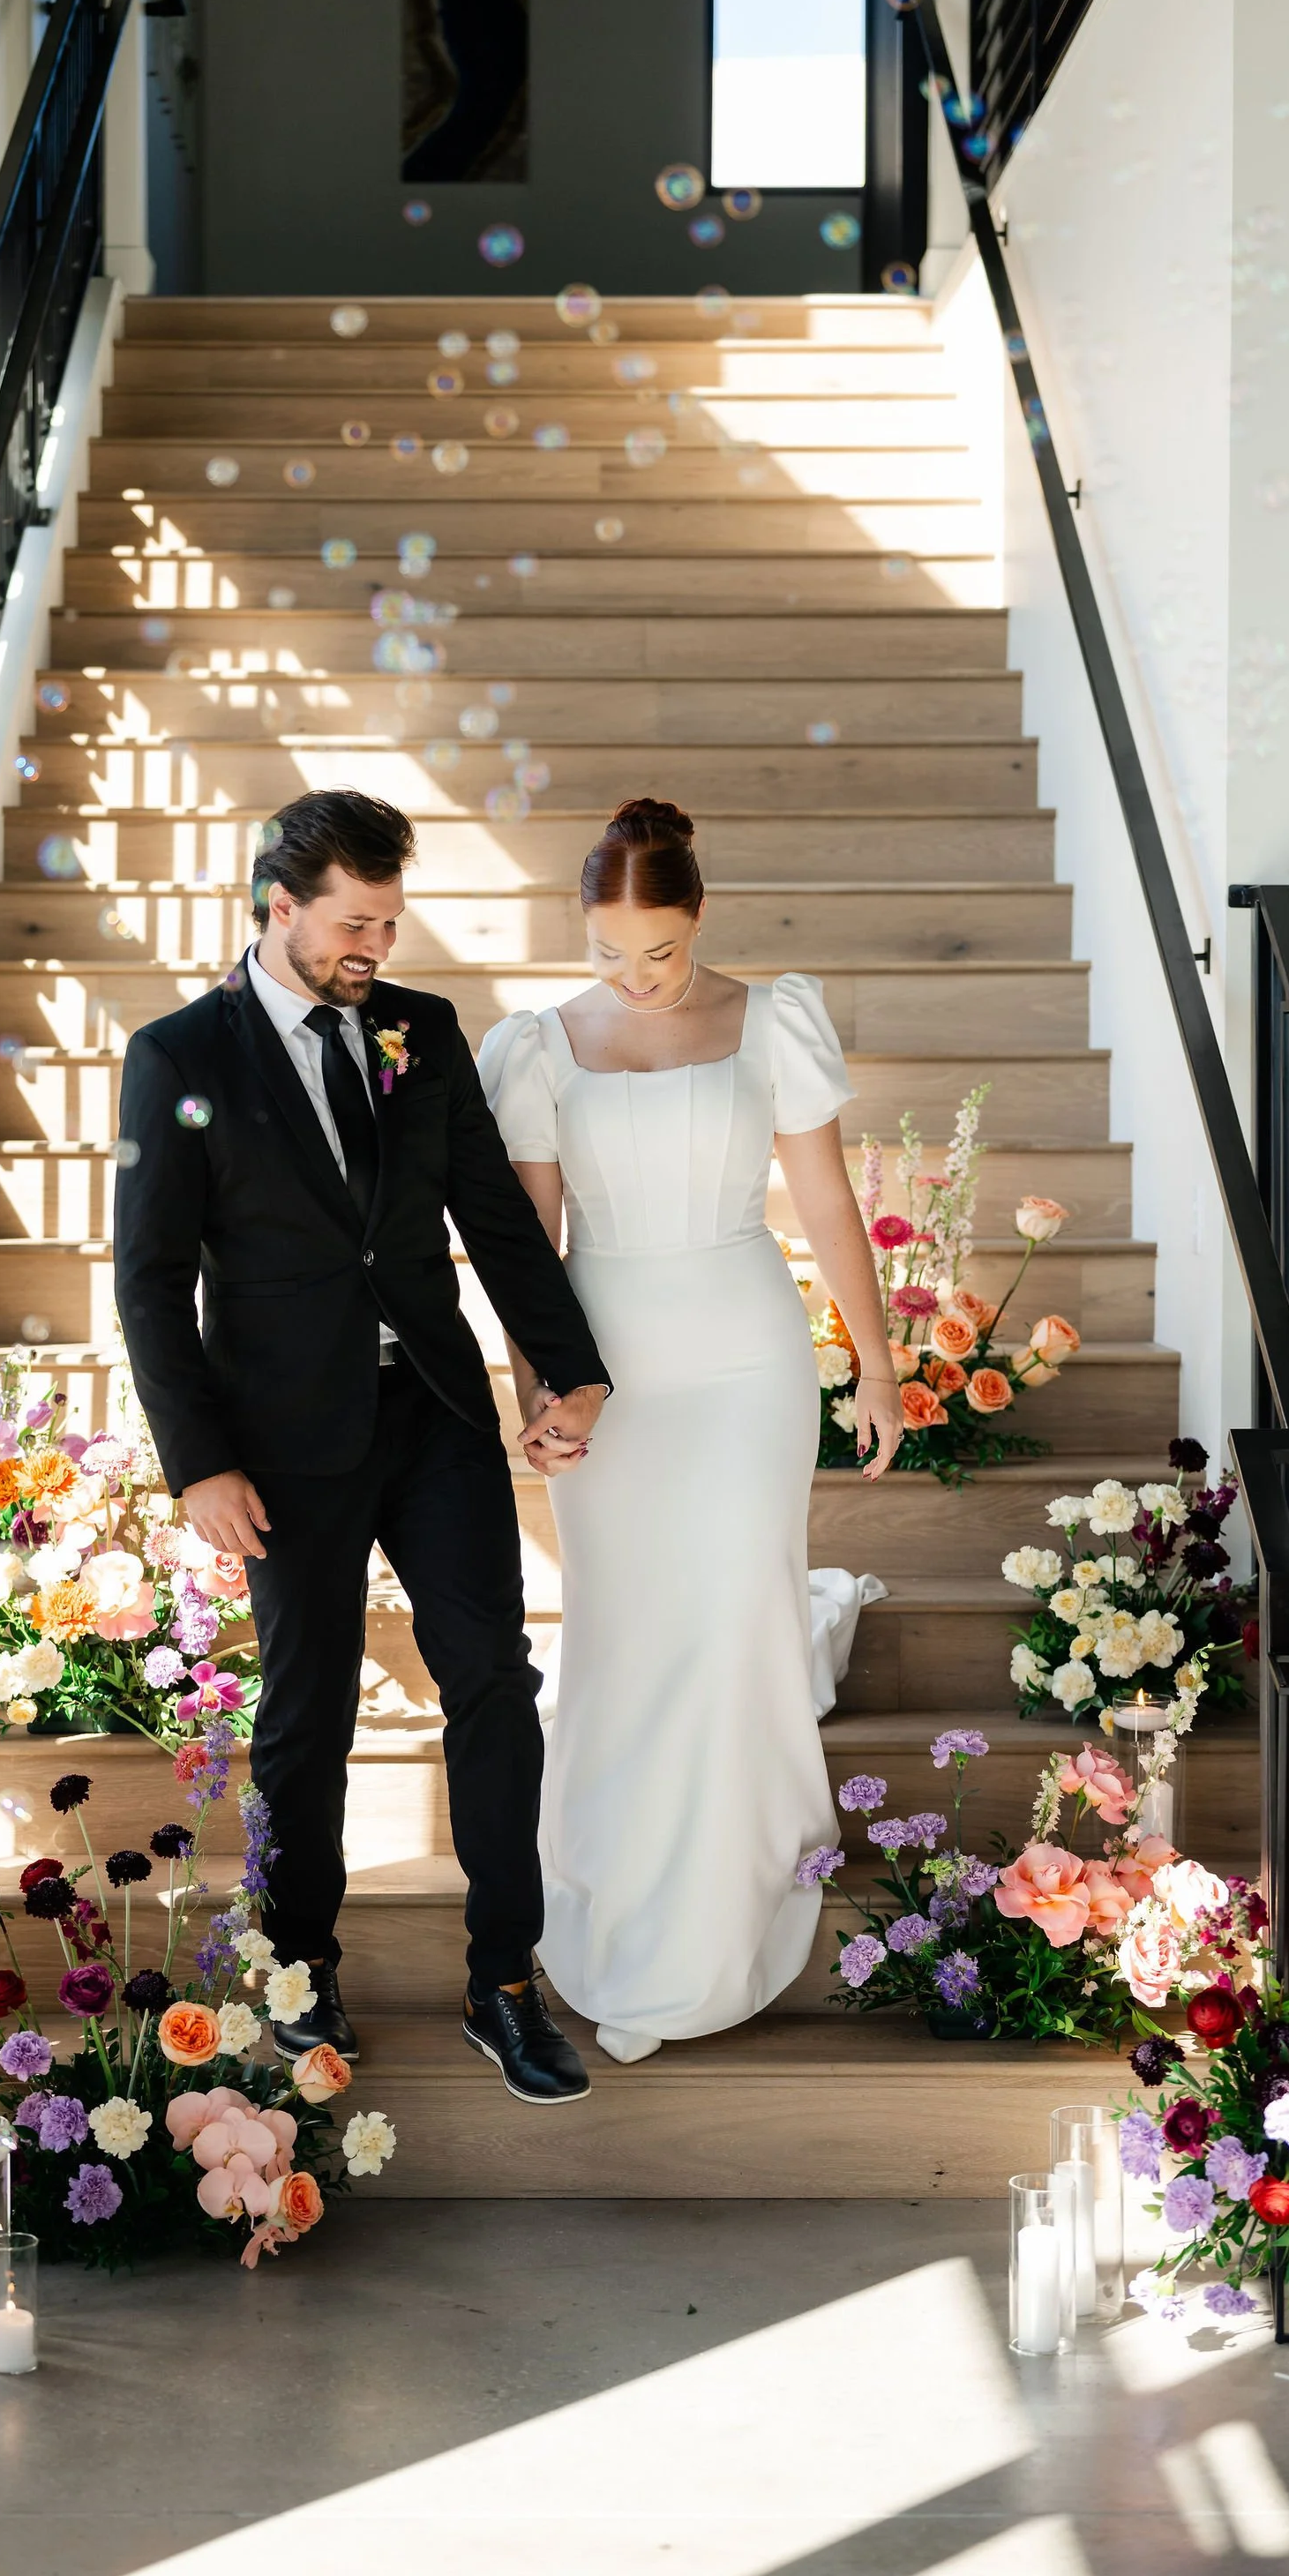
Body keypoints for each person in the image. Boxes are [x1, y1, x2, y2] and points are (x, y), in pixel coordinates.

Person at [114, 788, 613, 2104]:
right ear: (279, 907)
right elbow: (152, 1281)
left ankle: (505, 1981)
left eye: (389, 922)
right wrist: (200, 1464)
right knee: (307, 1712)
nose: (375, 947)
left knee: (494, 1685)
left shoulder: (419, 1031)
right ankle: (300, 1970)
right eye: (353, 923)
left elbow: (496, 1219)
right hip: (282, 1443)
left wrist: (571, 1370)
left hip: (433, 1413)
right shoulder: (181, 1059)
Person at [478, 798, 902, 2064]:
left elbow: (826, 1206)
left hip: (746, 1364)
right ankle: (619, 1916)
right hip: (609, 1376)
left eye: (656, 950)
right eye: (609, 951)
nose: (635, 976)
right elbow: (528, 1249)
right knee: (626, 1634)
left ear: (699, 918)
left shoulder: (771, 1021)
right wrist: (534, 1391)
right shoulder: (540, 1047)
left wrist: (875, 1370)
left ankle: (717, 1934)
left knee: (730, 1623)